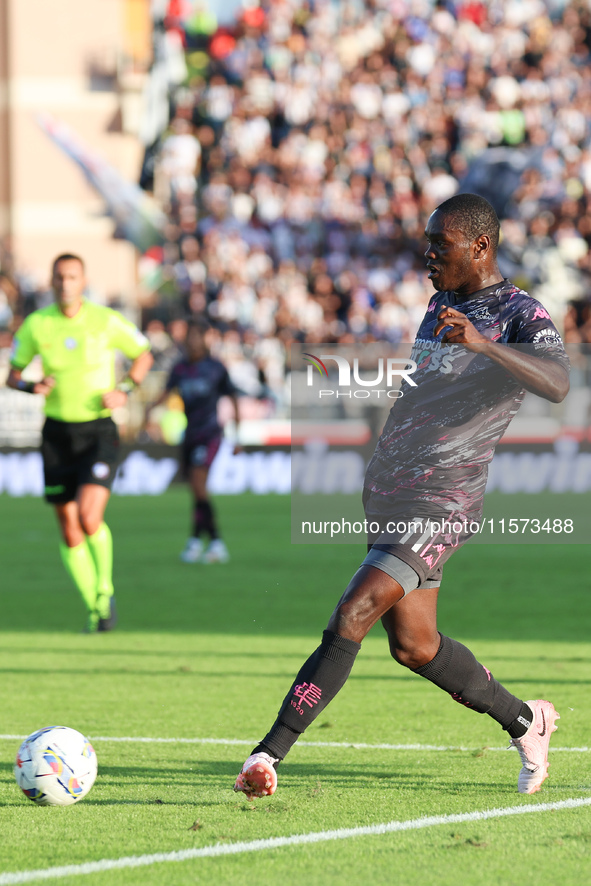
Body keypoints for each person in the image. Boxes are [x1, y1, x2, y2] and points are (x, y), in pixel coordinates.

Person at [233, 194, 570, 800]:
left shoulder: (519, 313)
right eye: (428, 243)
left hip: (445, 499)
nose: (428, 255)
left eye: (440, 245)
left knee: (353, 611)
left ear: (480, 247)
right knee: (415, 647)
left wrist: (483, 346)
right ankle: (527, 721)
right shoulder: (442, 303)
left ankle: (268, 754)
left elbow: (558, 382)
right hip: (392, 491)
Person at [7, 254, 153, 632]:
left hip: (98, 431)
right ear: (52, 282)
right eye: (59, 277)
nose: (66, 283)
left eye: (72, 276)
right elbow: (13, 375)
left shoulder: (105, 320)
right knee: (68, 526)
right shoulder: (38, 325)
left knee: (89, 518)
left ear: (83, 280)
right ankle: (95, 607)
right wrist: (30, 385)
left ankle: (104, 589)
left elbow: (143, 354)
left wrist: (125, 389)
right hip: (57, 433)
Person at [146, 317, 240, 563]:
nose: (192, 342)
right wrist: (149, 411)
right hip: (189, 434)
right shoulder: (180, 369)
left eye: (196, 337)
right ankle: (197, 540)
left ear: (204, 340)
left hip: (209, 434)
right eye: (189, 337)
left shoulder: (215, 368)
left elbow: (233, 399)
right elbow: (165, 395)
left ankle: (216, 542)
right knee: (196, 491)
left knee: (199, 485)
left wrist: (237, 435)